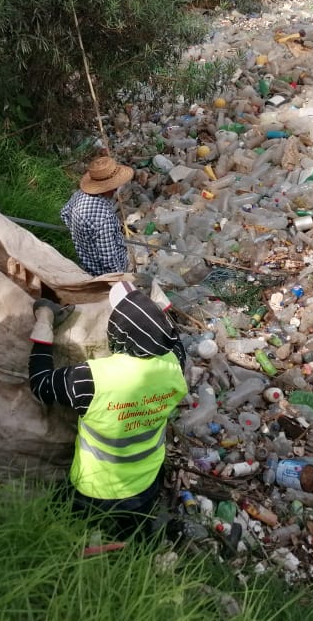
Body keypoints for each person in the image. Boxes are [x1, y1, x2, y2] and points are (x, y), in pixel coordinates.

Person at [27, 281, 188, 540]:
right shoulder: (175, 364)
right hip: (145, 485)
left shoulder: (92, 378)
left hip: (95, 488)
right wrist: (157, 307)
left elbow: (41, 383)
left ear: (117, 333)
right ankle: (137, 550)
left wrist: (45, 321)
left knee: (78, 533)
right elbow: (174, 339)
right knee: (134, 537)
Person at [61, 155, 134, 277]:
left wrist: (83, 236)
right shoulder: (103, 218)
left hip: (86, 262)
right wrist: (120, 279)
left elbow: (64, 213)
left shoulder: (78, 196)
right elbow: (109, 260)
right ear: (110, 187)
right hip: (103, 274)